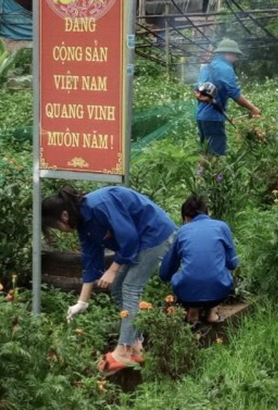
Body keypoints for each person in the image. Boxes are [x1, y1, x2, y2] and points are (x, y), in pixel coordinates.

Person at [42, 186, 176, 375]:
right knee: (117, 289)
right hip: (140, 241)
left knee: (130, 287)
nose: (60, 231)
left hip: (155, 235)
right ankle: (136, 346)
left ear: (64, 215)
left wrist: (113, 270)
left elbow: (129, 238)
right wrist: (82, 302)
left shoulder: (99, 205)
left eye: (56, 226)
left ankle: (123, 350)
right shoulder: (83, 223)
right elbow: (90, 260)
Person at [159, 195, 238, 324]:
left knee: (184, 278)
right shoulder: (222, 227)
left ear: (185, 218)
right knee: (219, 274)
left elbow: (165, 272)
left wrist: (167, 278)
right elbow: (233, 264)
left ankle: (193, 313)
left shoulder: (182, 232)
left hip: (188, 294)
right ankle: (212, 314)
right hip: (219, 290)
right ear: (208, 213)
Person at [195, 38, 261, 157]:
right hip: (213, 117)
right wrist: (252, 108)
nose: (236, 59)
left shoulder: (207, 67)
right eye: (235, 55)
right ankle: (216, 176)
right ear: (228, 53)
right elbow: (234, 93)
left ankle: (201, 175)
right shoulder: (225, 68)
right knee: (216, 154)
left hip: (201, 116)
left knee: (205, 151)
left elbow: (198, 91)